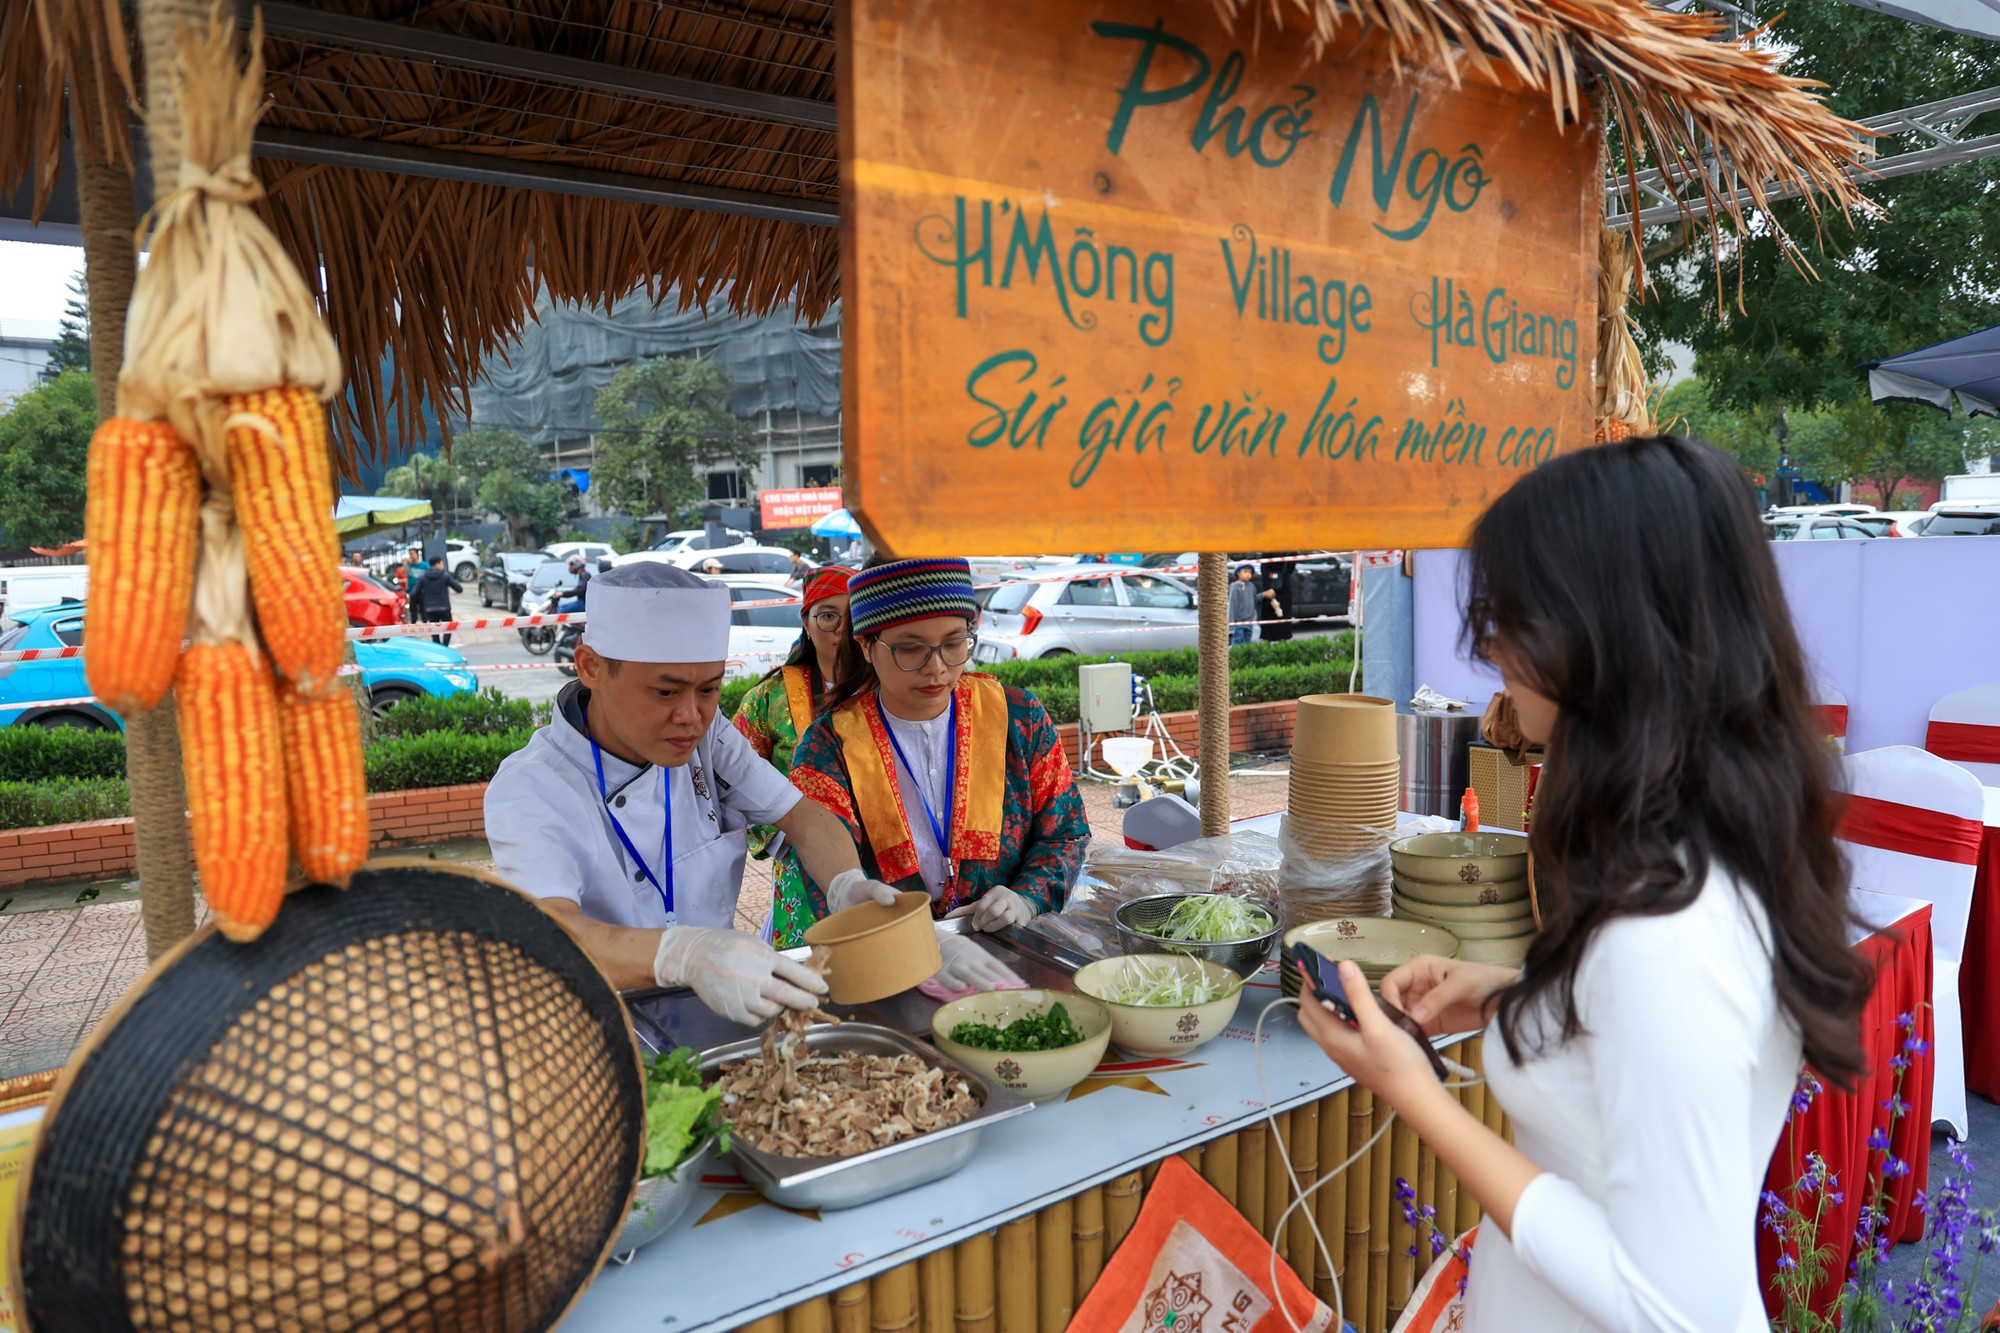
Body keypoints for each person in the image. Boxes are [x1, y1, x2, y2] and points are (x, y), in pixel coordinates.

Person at [1292, 436, 1870, 1331]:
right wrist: (1516, 996)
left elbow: (1666, 1305)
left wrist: (1413, 1092)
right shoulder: (1688, 858)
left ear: (1605, 632)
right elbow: (1625, 1064)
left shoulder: (1668, 933)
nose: (1493, 648)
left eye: (1514, 616)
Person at [484, 562, 1007, 1025]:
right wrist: (683, 954)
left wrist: (849, 888)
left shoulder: (708, 739)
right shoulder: (533, 788)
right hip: (599, 1021)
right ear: (590, 668)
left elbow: (804, 818)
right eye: (665, 691)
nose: (690, 716)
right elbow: (547, 933)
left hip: (711, 1006)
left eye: (709, 689)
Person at [789, 557, 1090, 933]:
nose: (937, 667)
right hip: (895, 949)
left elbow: (1066, 831)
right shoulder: (828, 746)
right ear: (866, 646)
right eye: (910, 649)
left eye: (953, 643)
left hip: (1011, 942)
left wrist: (1027, 898)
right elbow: (822, 860)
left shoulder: (1018, 717)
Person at [733, 567, 862, 945]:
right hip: (798, 858)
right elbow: (733, 779)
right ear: (806, 622)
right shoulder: (767, 699)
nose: (841, 630)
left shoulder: (889, 690)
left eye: (853, 616)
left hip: (885, 855)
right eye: (827, 616)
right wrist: (785, 836)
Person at [410, 558, 462, 645]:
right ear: (437, 564)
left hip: (429, 608)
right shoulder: (445, 575)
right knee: (448, 627)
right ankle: (445, 645)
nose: (443, 566)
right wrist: (456, 591)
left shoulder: (423, 576)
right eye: (442, 564)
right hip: (444, 607)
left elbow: (414, 593)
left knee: (434, 630)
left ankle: (437, 646)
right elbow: (459, 588)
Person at [1256, 568, 1292, 642]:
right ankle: (1265, 648)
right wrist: (1268, 587)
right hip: (1270, 588)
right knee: (1267, 628)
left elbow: (1291, 567)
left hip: (1284, 589)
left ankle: (1282, 647)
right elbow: (1264, 568)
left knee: (1283, 626)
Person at [1227, 563, 1257, 645]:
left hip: (1249, 622)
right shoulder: (1234, 587)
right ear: (1238, 573)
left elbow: (1254, 598)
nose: (1248, 574)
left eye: (1250, 572)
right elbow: (1232, 606)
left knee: (1247, 643)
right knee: (1237, 642)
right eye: (1245, 572)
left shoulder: (1251, 586)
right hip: (1238, 622)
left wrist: (1263, 595)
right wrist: (1231, 625)